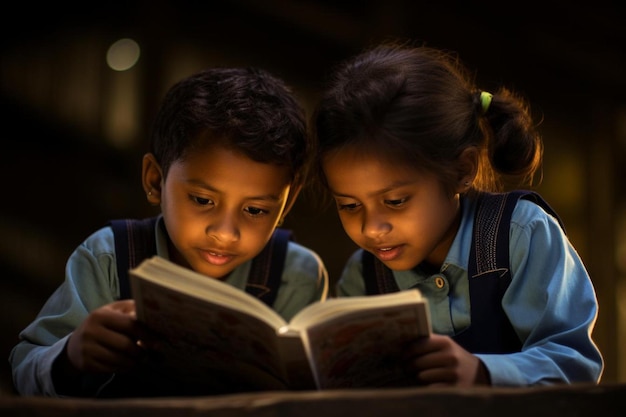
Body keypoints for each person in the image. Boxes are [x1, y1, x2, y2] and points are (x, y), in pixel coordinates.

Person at [10, 67, 329, 397]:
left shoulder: (297, 276)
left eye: (255, 210)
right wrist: (72, 355)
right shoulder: (108, 258)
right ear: (154, 180)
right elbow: (23, 368)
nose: (225, 233)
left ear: (286, 204)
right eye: (203, 200)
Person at [311, 41, 603, 387]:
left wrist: (482, 373)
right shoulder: (363, 278)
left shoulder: (520, 235)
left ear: (462, 170)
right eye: (349, 205)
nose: (372, 228)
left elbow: (576, 364)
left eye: (396, 201)